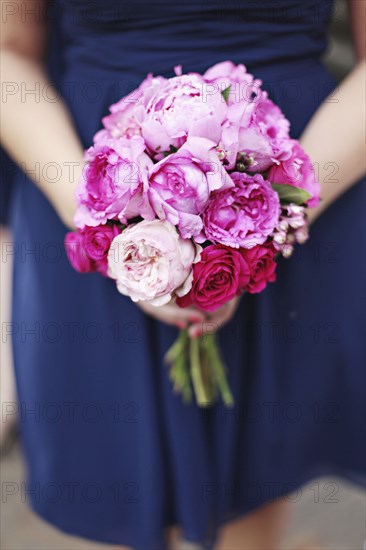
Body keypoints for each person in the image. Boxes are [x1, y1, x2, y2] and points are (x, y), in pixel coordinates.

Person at [0, 1, 365, 549]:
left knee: (252, 479)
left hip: (295, 164)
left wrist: (269, 220)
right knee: (115, 480)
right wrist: (113, 226)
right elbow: (8, 54)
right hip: (85, 169)